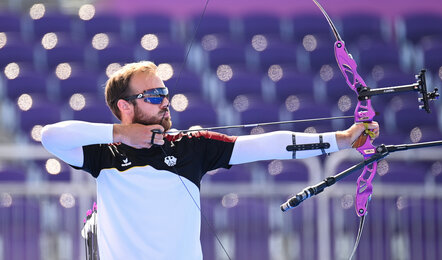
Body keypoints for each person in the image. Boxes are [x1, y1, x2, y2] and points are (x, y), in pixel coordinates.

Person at [41, 61, 379, 259]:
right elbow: (50, 136)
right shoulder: (103, 152)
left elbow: (267, 146)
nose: (165, 101)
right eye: (154, 95)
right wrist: (122, 135)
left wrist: (343, 140)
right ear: (125, 107)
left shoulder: (191, 146)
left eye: (166, 93)